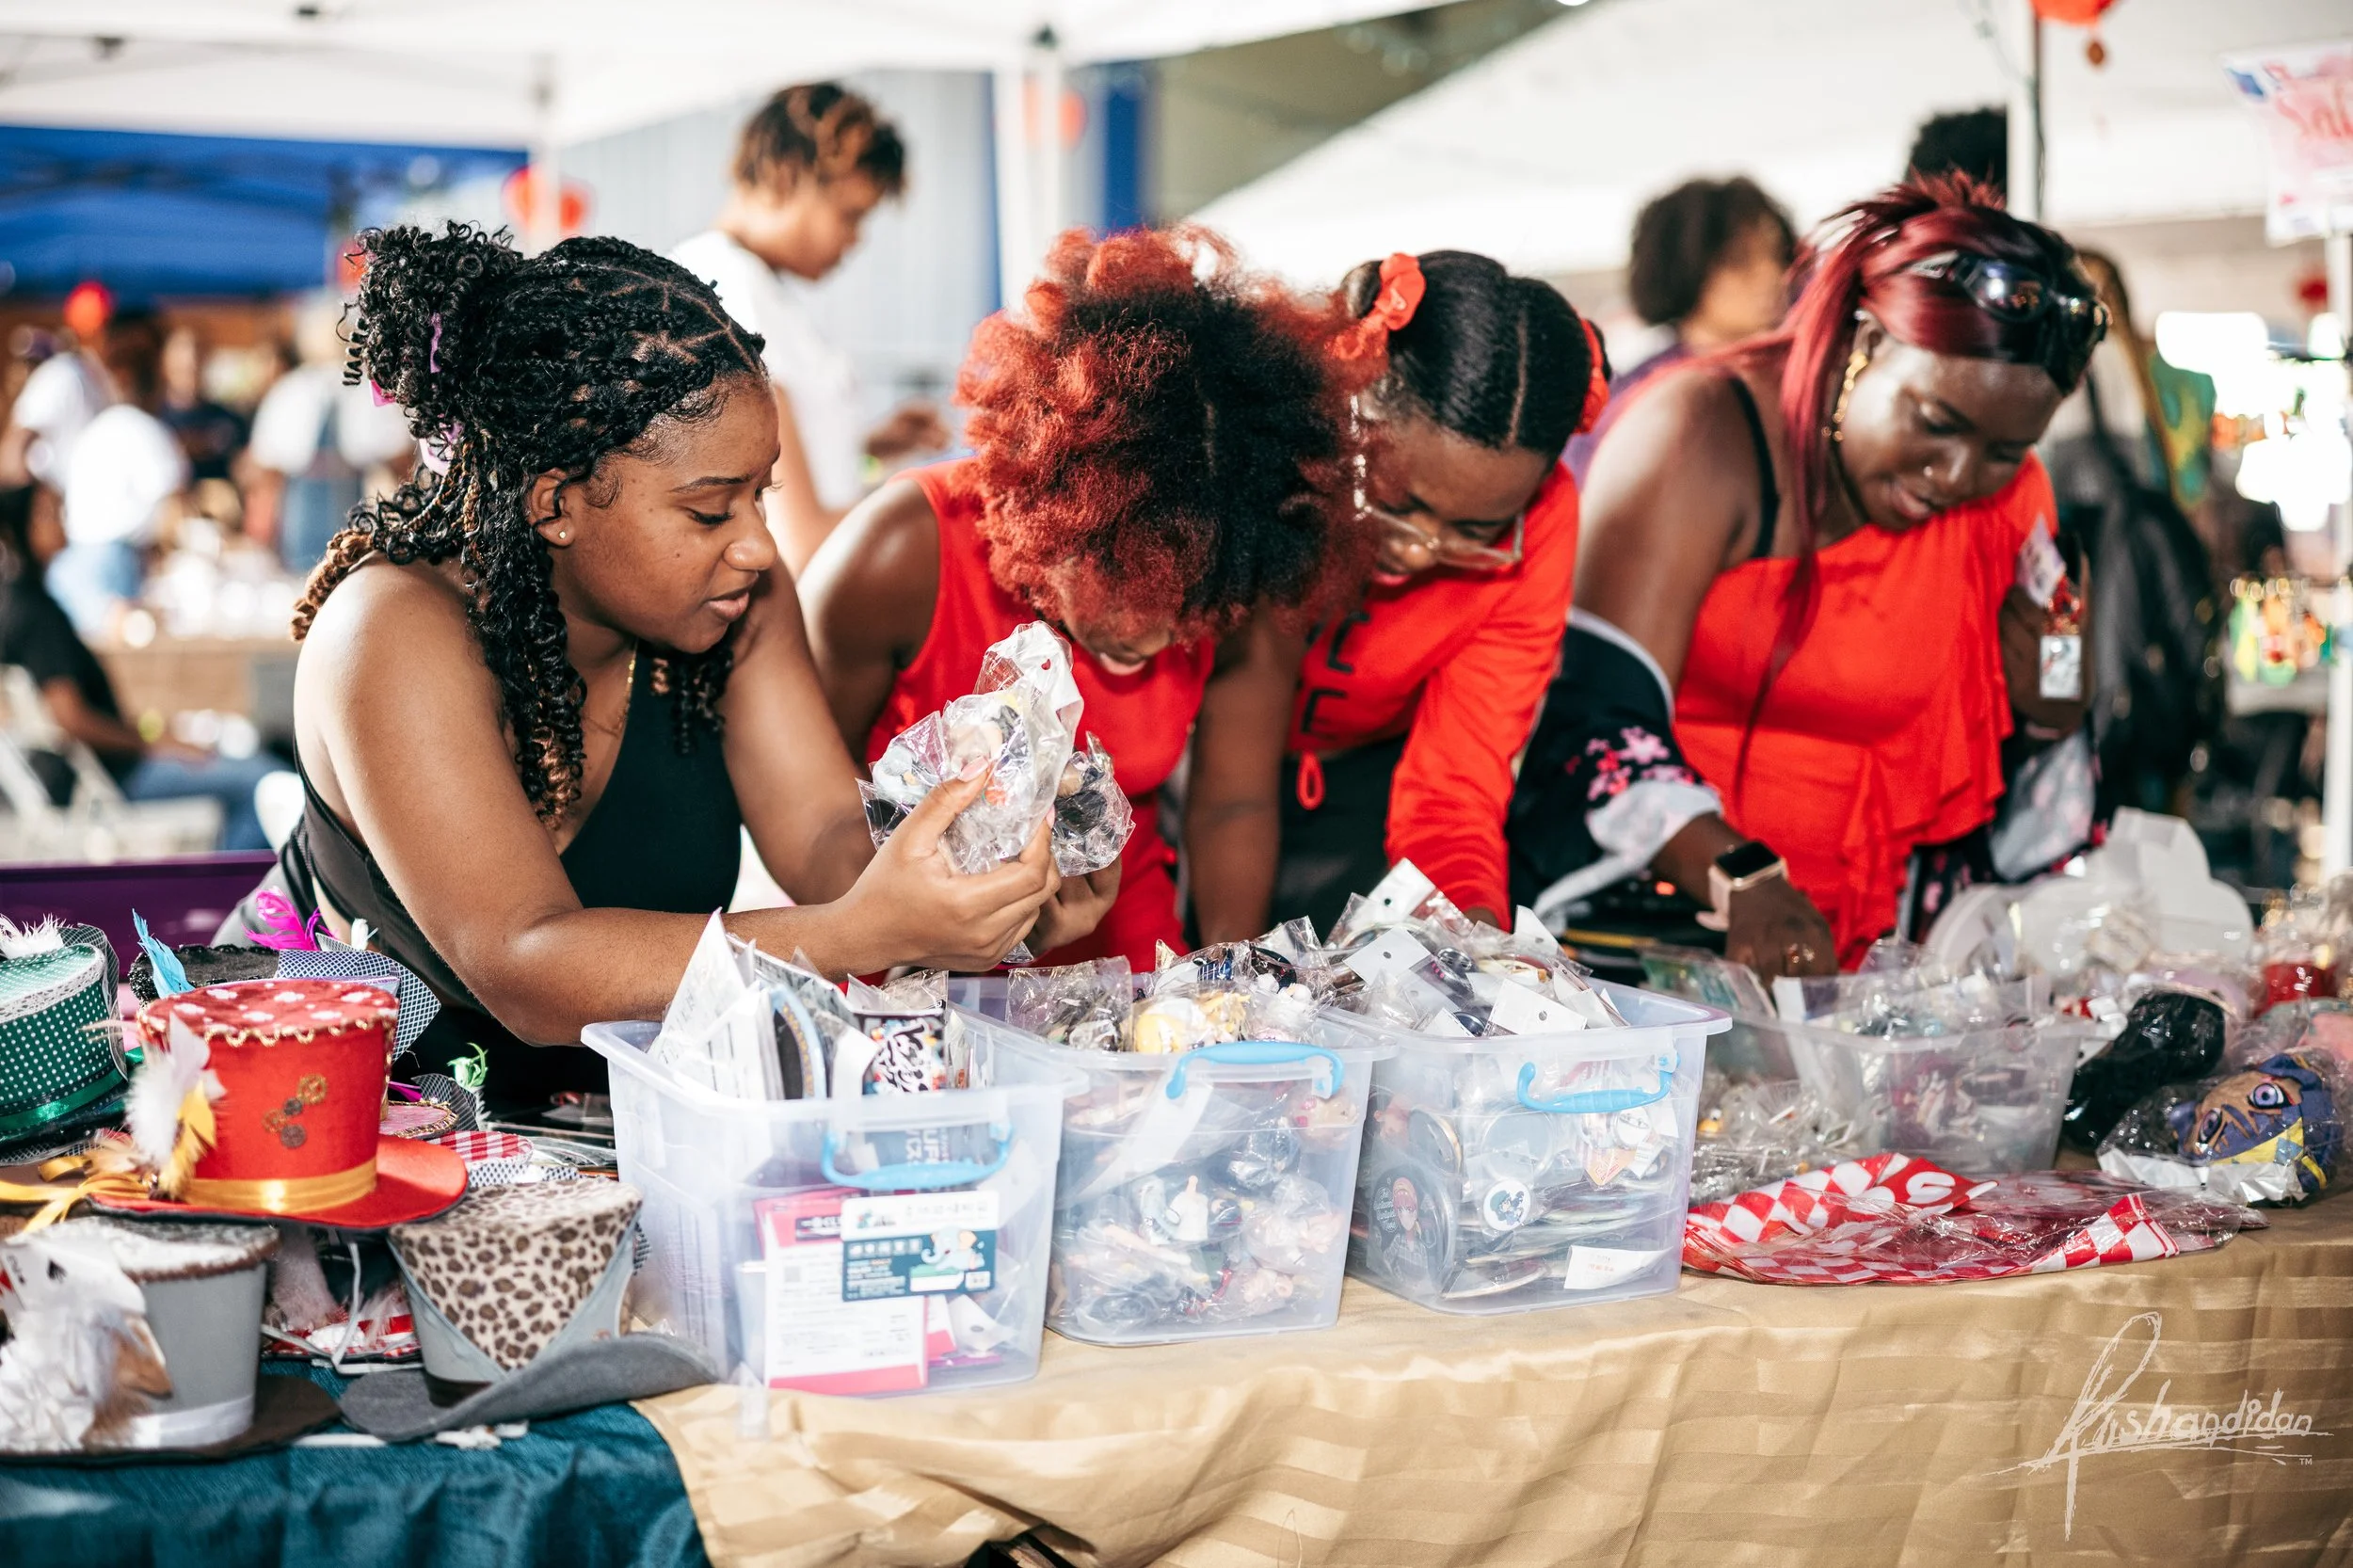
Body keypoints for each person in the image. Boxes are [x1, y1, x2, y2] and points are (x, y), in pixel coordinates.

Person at [224, 224, 1061, 1107]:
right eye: (709, 512)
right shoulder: (392, 634)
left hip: (582, 1144)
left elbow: (824, 838)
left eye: (760, 494)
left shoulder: (741, 606)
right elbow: (527, 963)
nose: (756, 545)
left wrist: (980, 876)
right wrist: (852, 934)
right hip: (308, 1116)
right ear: (556, 502)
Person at [1508, 178, 2107, 977]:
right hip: (1662, 928)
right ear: (1863, 343)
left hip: (1884, 947)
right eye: (1937, 422)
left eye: (2004, 450)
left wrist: (2057, 702)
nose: (1960, 474)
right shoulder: (1697, 432)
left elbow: (2053, 684)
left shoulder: (2012, 493)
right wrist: (1743, 878)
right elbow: (1594, 722)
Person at [800, 226, 1372, 968]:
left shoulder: (1238, 582)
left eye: (1187, 609)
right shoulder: (899, 555)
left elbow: (1234, 804)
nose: (1153, 638)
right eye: (1122, 581)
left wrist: (1226, 993)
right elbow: (810, 819)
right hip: (894, 950)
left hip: (1115, 937)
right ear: (1055, 507)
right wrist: (957, 924)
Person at [1241, 250, 1606, 936]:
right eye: (1396, 503)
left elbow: (1454, 788)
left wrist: (1479, 939)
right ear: (1351, 412)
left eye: (1476, 529)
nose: (1416, 550)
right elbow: (1225, 791)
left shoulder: (1545, 520)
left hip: (1363, 796)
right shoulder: (1276, 438)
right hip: (1183, 778)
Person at [673, 82, 948, 574]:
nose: (856, 238)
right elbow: (797, 534)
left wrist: (867, 447)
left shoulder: (746, 283)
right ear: (787, 175)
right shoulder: (730, 292)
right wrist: (944, 509)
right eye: (849, 215)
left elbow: (763, 465)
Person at [0, 486, 279, 849]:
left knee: (245, 764)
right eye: (47, 513)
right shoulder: (36, 616)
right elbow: (72, 720)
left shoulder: (22, 602)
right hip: (115, 776)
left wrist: (159, 737)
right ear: (19, 526)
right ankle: (240, 900)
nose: (61, 521)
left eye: (60, 510)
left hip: (107, 768)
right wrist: (155, 744)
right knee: (264, 781)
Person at [1566, 178, 1795, 485]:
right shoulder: (1638, 396)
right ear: (1687, 269)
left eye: (1778, 255)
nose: (1771, 274)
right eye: (1739, 260)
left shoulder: (1802, 373)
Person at [246, 297, 414, 576]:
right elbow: (265, 467)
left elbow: (400, 458)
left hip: (358, 512)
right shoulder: (292, 391)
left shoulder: (367, 390)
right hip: (304, 518)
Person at [50, 309, 187, 634]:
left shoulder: (97, 430)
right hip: (115, 568)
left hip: (73, 565)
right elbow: (176, 514)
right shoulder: (146, 431)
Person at [158, 325, 249, 487]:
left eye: (197, 355)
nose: (191, 362)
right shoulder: (155, 423)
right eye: (183, 367)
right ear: (165, 362)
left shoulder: (229, 421)